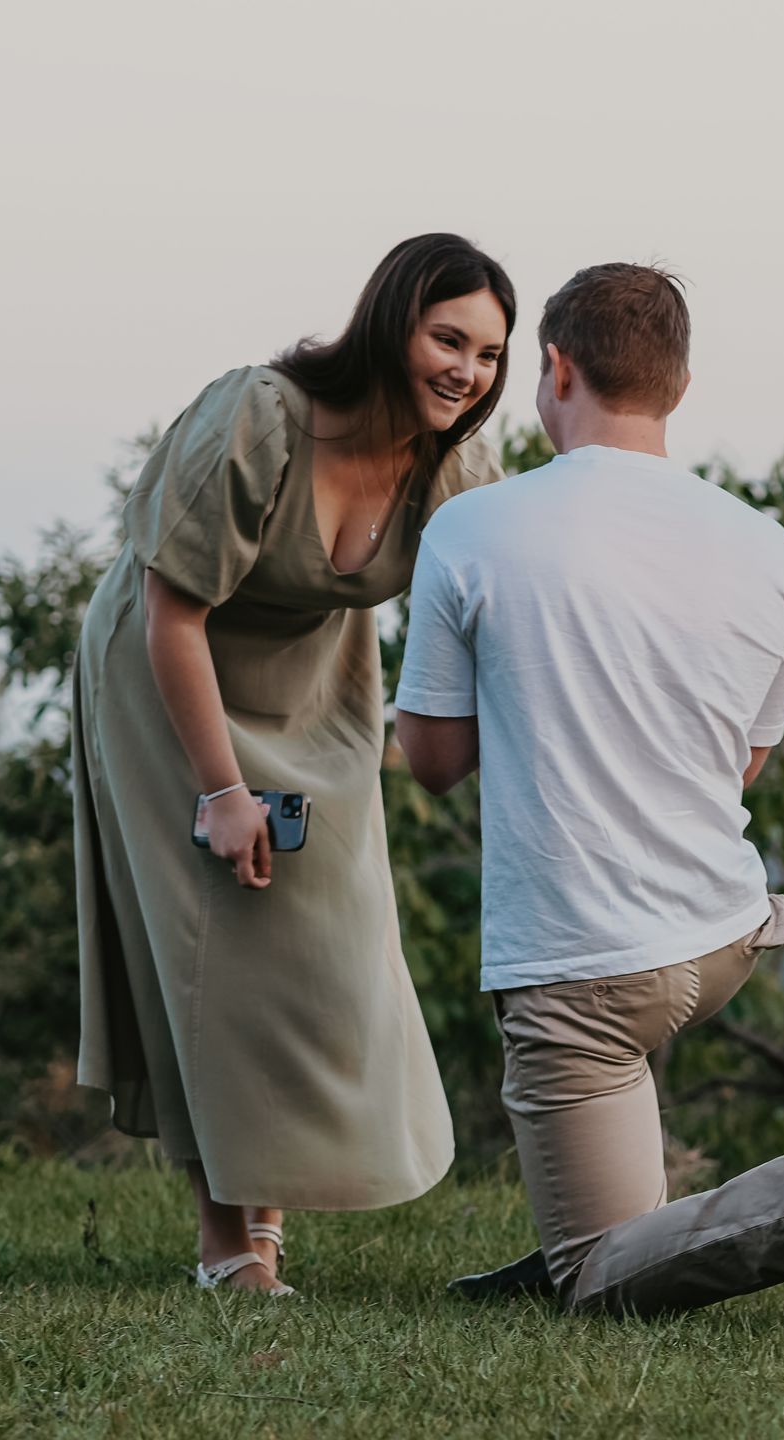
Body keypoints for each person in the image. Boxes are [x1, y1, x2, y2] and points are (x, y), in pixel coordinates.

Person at [393, 263, 784, 1331]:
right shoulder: (769, 549)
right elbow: (739, 764)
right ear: (679, 388)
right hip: (722, 936)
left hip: (588, 966)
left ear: (555, 369)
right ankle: (601, 1218)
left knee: (600, 1277)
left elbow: (431, 760)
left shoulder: (474, 531)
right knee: (614, 1179)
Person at [72, 234, 514, 1294]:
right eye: (447, 337)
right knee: (218, 936)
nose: (468, 370)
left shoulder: (458, 464)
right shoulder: (261, 418)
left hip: (316, 680)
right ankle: (234, 1247)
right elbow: (173, 611)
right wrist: (222, 791)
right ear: (390, 324)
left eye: (491, 354)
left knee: (323, 931)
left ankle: (266, 1216)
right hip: (167, 671)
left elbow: (491, 622)